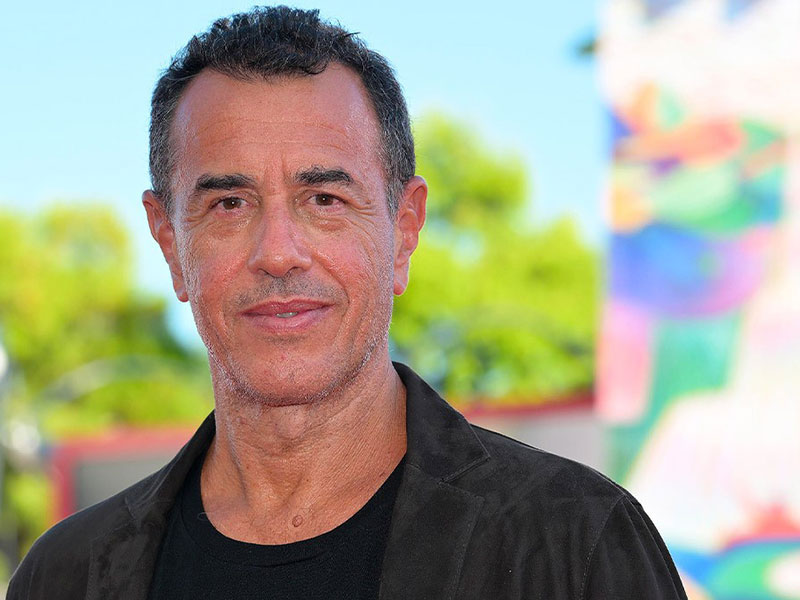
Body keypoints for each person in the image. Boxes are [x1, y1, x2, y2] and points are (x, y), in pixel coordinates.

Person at [7, 7, 687, 599]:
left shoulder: (574, 544)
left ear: (404, 230)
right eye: (230, 204)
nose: (278, 252)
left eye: (325, 200)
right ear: (169, 242)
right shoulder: (66, 578)